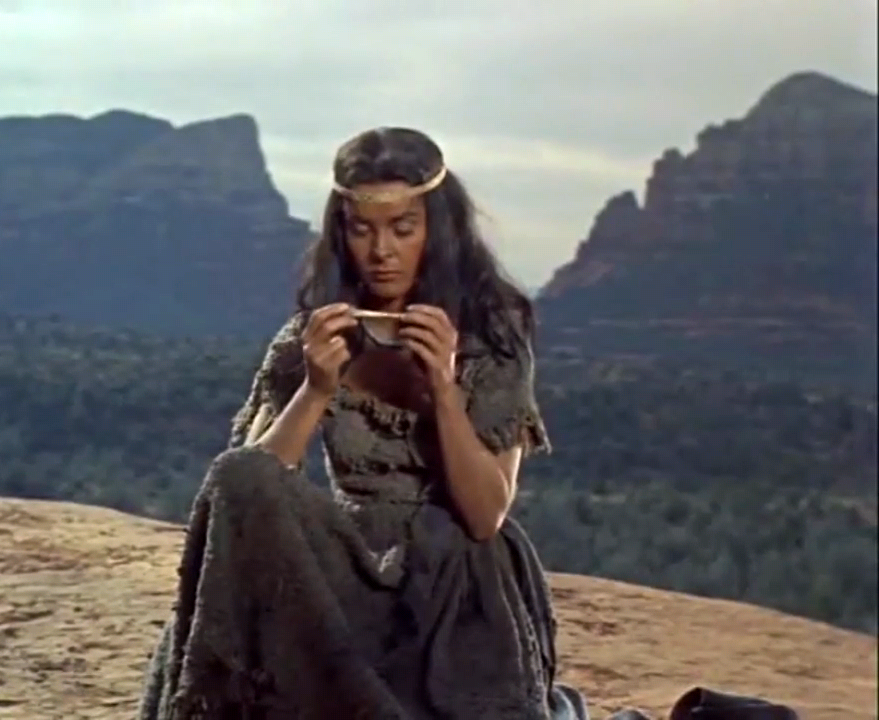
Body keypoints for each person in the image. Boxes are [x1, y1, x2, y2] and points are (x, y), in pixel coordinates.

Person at [137, 128, 798, 720]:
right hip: (348, 570)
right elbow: (244, 499)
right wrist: (315, 389)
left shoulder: (492, 333)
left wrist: (445, 393)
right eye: (363, 230)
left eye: (403, 228)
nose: (381, 251)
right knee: (239, 473)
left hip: (456, 578)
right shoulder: (314, 335)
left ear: (437, 228)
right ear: (342, 232)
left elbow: (485, 514)